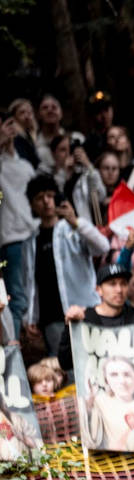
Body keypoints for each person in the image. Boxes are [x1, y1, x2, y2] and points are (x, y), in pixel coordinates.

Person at [19, 175, 110, 357]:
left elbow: (103, 246)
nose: (46, 201)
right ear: (32, 205)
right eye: (40, 198)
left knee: (95, 361)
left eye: (50, 195)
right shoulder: (30, 243)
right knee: (62, 366)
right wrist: (30, 317)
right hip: (52, 317)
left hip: (86, 310)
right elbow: (30, 284)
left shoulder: (73, 229)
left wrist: (76, 222)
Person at [58, 260, 134, 374]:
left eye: (123, 284)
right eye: (112, 284)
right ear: (99, 290)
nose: (119, 290)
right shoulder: (85, 318)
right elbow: (65, 363)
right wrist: (70, 327)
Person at [0, 111, 38, 333]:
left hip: (32, 233)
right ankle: (14, 348)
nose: (7, 130)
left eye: (9, 125)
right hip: (10, 239)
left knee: (32, 296)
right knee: (16, 298)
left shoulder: (25, 165)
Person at [7, 99, 39, 168]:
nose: (27, 116)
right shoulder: (13, 137)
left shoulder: (29, 135)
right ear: (13, 117)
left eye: (30, 113)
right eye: (22, 112)